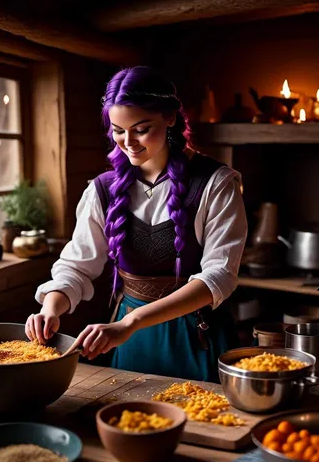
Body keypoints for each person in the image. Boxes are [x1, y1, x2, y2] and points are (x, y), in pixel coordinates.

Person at [26, 66, 248, 382]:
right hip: (127, 337)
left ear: (170, 117)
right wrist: (51, 307)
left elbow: (219, 276)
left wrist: (131, 323)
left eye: (141, 129)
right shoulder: (102, 190)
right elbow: (77, 266)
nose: (127, 142)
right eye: (118, 130)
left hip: (194, 334)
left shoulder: (216, 183)